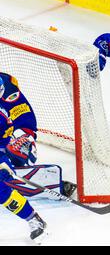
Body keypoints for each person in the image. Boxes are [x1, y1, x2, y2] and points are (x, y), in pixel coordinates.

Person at [0, 72, 76, 243]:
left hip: (8, 139)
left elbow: (24, 118)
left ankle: (33, 219)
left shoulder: (7, 88)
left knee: (2, 183)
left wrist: (21, 139)